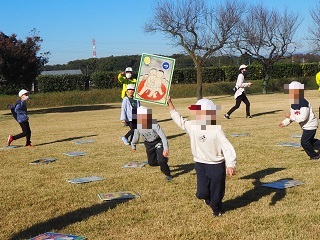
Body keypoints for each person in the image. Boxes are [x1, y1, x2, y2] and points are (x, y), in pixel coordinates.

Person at [167, 96, 236, 217]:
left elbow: (227, 147)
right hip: (200, 164)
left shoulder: (216, 129)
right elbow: (180, 121)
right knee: (201, 193)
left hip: (216, 165)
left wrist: (230, 164)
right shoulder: (193, 126)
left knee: (217, 192)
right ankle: (208, 200)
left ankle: (217, 209)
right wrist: (170, 103)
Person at [279, 81, 320, 160]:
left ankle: (314, 156)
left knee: (304, 142)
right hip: (306, 126)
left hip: (310, 125)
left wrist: (290, 116)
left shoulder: (303, 102)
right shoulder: (294, 102)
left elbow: (303, 117)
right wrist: (284, 123)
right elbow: (293, 115)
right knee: (310, 141)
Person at [131, 106, 172, 181]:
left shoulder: (154, 124)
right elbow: (136, 137)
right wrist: (133, 145)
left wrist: (166, 148)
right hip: (148, 145)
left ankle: (168, 174)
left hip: (157, 142)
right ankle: (163, 162)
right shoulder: (138, 126)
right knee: (151, 163)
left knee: (161, 160)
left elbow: (163, 136)